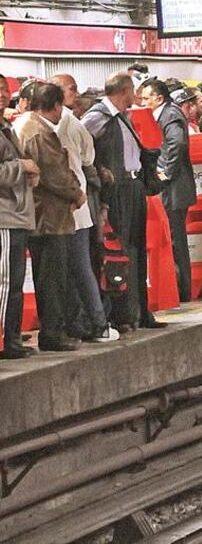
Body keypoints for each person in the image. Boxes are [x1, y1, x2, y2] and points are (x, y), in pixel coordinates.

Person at [82, 73, 164, 331]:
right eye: (134, 91)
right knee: (119, 252)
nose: (137, 96)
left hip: (133, 186)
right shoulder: (97, 118)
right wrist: (100, 173)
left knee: (136, 250)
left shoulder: (124, 118)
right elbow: (81, 150)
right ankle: (122, 314)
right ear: (124, 90)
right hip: (115, 191)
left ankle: (139, 311)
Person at [50, 74, 115, 341]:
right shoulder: (71, 124)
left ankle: (82, 323)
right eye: (71, 88)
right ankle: (96, 323)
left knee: (71, 270)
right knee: (81, 268)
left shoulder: (61, 124)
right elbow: (88, 157)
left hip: (67, 209)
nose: (76, 93)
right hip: (73, 208)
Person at [21, 82, 84, 351]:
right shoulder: (39, 133)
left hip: (45, 216)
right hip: (49, 218)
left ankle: (54, 331)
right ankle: (53, 334)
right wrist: (76, 193)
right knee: (52, 278)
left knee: (51, 277)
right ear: (56, 106)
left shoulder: (29, 127)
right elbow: (54, 174)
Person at [142, 80, 197, 302]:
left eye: (146, 98)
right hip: (175, 187)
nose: (143, 102)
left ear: (159, 98)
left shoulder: (170, 114)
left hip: (175, 187)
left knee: (176, 240)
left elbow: (177, 143)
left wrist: (164, 170)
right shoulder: (165, 114)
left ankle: (183, 290)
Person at [0, 98, 38, 358]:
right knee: (5, 282)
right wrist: (21, 166)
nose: (3, 95)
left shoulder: (5, 127)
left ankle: (12, 339)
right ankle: (5, 340)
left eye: (5, 90)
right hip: (5, 217)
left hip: (17, 215)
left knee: (14, 283)